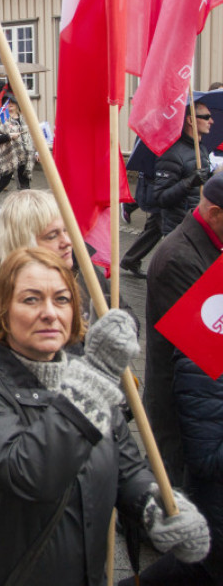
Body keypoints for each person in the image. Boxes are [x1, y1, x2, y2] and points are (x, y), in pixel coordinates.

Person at [0, 247, 210, 586]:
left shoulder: (81, 376)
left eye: (63, 299)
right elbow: (30, 472)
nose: (50, 313)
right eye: (32, 300)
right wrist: (95, 378)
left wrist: (153, 506)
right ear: (2, 311)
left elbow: (125, 464)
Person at [143, 172, 223, 489]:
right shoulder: (177, 258)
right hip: (181, 404)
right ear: (215, 213)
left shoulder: (210, 242)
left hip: (202, 401)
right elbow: (203, 349)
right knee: (176, 489)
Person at [154, 101, 213, 235]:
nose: (211, 121)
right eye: (206, 117)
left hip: (200, 225)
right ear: (190, 120)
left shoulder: (202, 149)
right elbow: (161, 198)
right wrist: (189, 182)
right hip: (180, 231)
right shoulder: (171, 153)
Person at [0, 95, 35, 197]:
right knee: (4, 180)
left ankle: (26, 207)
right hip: (8, 155)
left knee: (25, 182)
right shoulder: (0, 118)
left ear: (17, 104)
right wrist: (9, 136)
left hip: (24, 154)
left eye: (12, 102)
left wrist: (35, 152)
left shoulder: (24, 118)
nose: (10, 104)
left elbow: (31, 136)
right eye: (7, 102)